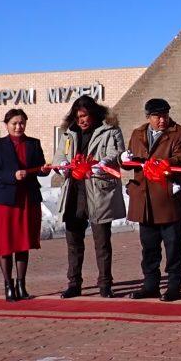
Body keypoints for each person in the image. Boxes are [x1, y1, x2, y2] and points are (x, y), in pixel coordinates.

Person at [54, 94, 126, 298]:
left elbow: (117, 153)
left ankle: (105, 284)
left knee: (102, 241)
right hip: (74, 192)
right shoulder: (69, 134)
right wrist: (62, 167)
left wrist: (102, 164)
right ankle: (74, 283)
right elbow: (59, 156)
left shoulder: (110, 130)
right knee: (73, 241)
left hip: (98, 191)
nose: (82, 121)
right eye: (78, 118)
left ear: (93, 114)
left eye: (84, 116)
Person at [121, 98, 181, 301]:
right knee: (149, 248)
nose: (162, 120)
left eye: (165, 115)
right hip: (145, 202)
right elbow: (130, 161)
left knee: (173, 247)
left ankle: (173, 287)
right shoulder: (138, 134)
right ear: (148, 117)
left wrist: (161, 163)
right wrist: (124, 160)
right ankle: (150, 285)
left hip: (167, 200)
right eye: (157, 116)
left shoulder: (180, 133)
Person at [0, 108, 48, 301]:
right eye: (14, 123)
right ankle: (8, 286)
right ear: (6, 125)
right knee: (6, 244)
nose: (18, 126)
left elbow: (40, 168)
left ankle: (22, 285)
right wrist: (12, 176)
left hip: (27, 200)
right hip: (5, 202)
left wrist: (44, 170)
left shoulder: (33, 143)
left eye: (21, 122)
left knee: (23, 243)